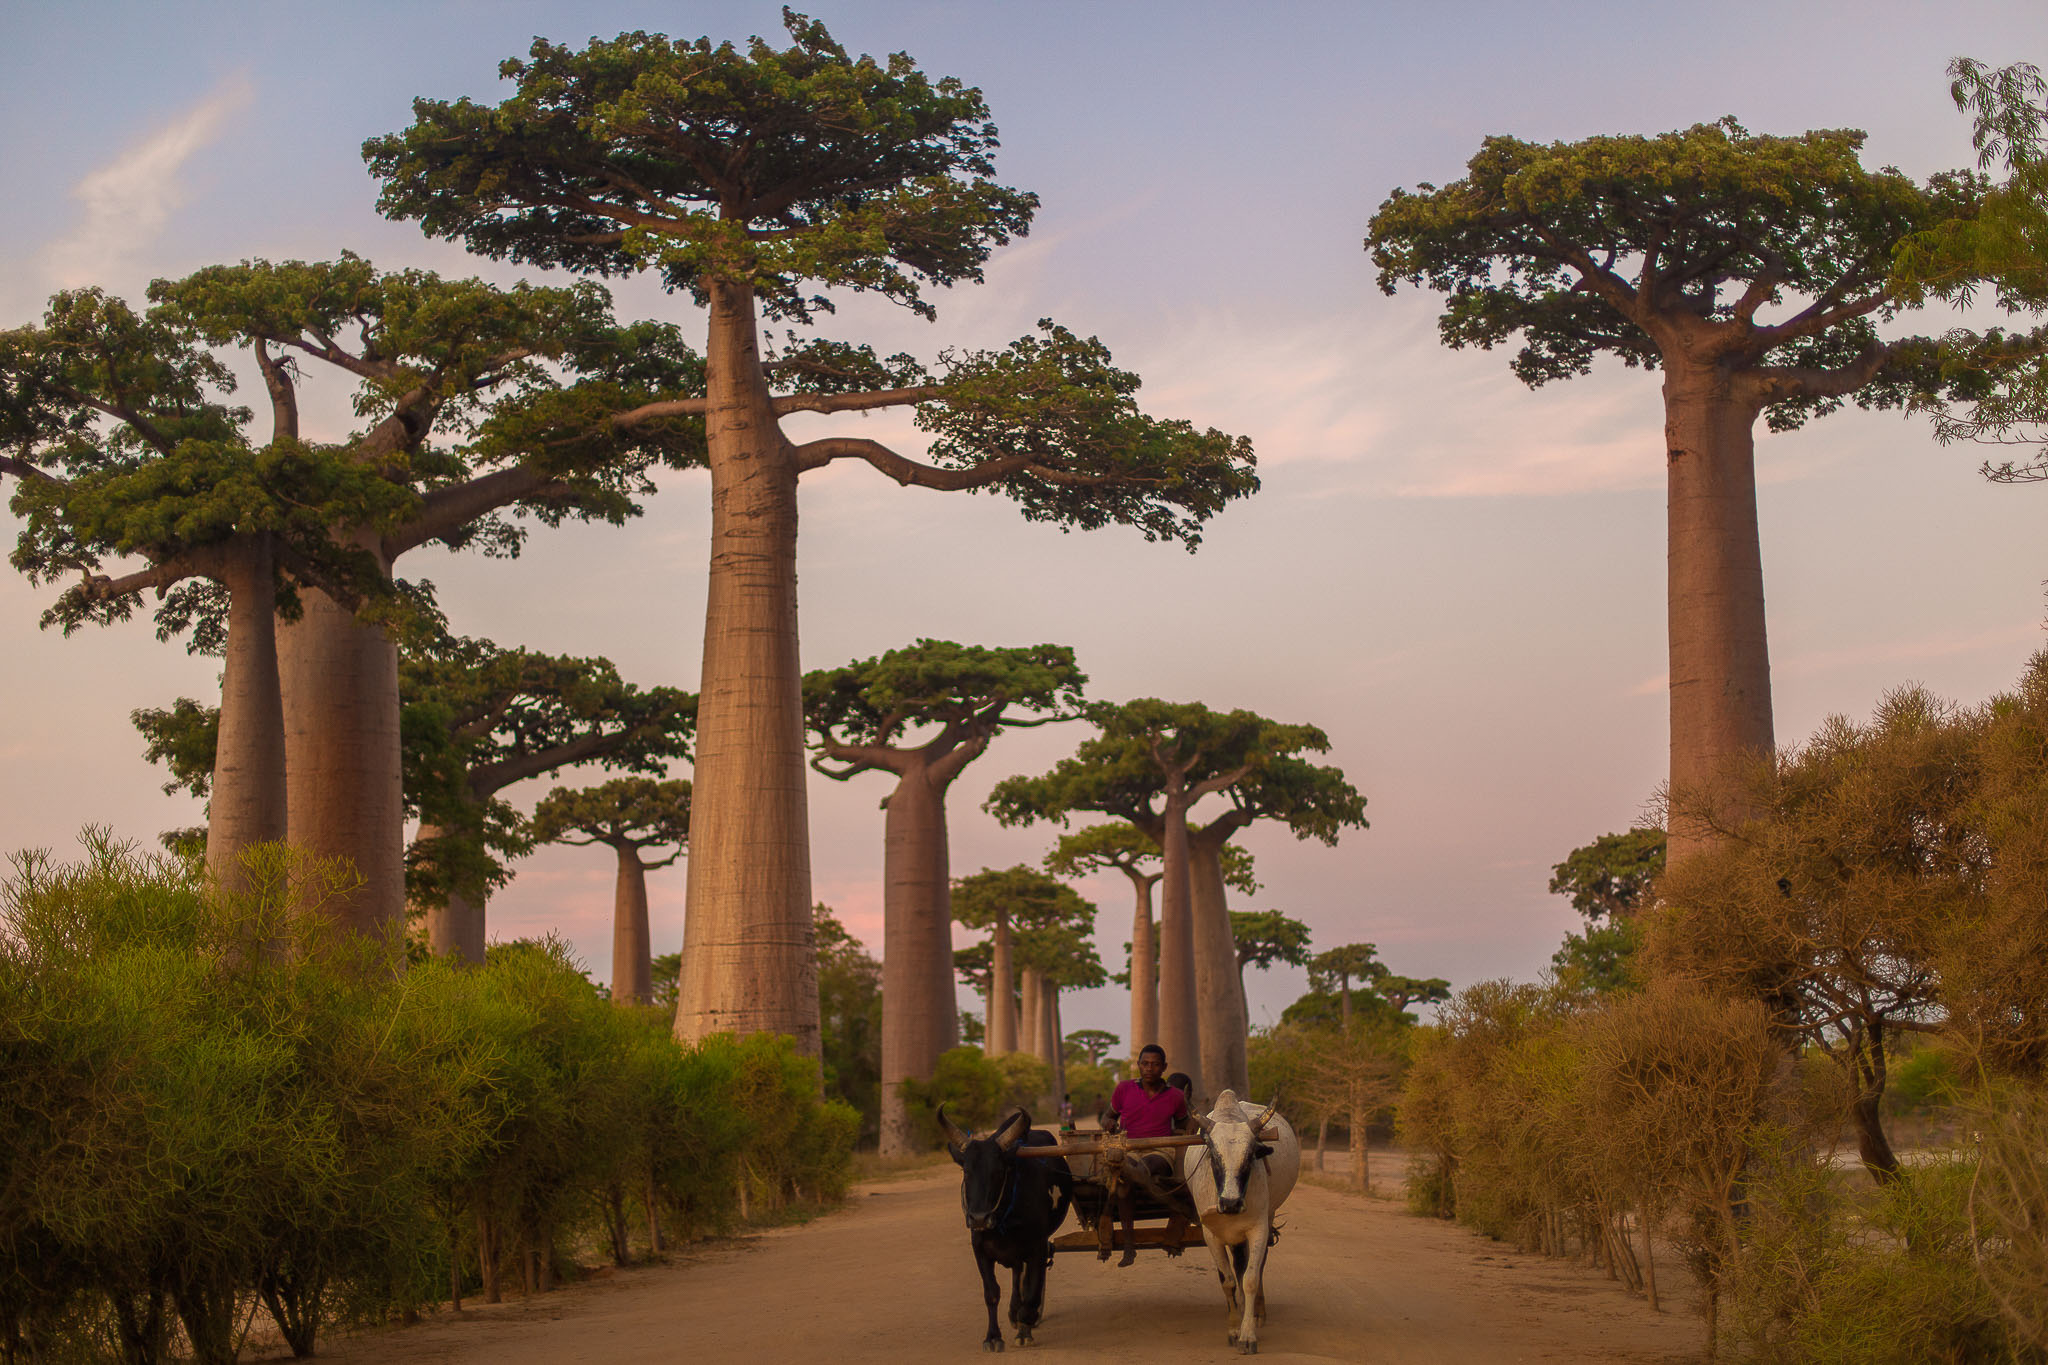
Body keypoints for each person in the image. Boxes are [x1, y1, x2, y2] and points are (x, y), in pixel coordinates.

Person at [1102, 1044, 1193, 1264]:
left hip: (1160, 1150)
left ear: (1164, 1068)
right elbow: (1108, 1116)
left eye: (1155, 1064)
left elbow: (1183, 1124)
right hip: (1129, 1148)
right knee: (1124, 1183)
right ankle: (1129, 1246)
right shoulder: (1123, 1089)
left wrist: (1187, 1130)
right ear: (1138, 1065)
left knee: (1138, 1170)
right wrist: (1109, 1123)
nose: (1149, 1068)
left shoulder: (1176, 1096)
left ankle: (1127, 1172)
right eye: (1145, 1064)